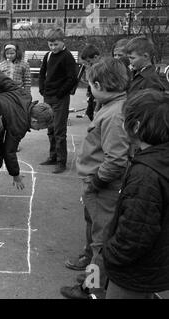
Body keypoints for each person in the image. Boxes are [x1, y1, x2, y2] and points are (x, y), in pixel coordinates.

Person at [60, 58, 131, 299]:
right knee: (95, 235)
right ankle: (90, 277)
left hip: (104, 188)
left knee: (101, 241)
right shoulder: (111, 106)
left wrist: (97, 183)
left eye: (89, 85)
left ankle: (91, 288)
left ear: (99, 84)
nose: (89, 89)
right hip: (97, 185)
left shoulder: (114, 115)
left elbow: (117, 158)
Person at [103, 89, 169, 299]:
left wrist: (111, 254)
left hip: (134, 272)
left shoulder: (146, 174)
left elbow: (135, 234)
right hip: (154, 264)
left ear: (137, 126)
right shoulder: (159, 157)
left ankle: (90, 285)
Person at [0, 66, 53, 208]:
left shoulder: (23, 94)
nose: (38, 130)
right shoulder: (20, 124)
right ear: (35, 121)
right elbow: (10, 152)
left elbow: (1, 77)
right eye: (40, 128)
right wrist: (16, 174)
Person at [38, 28, 78, 174]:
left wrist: (61, 93)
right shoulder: (48, 56)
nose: (53, 47)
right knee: (50, 128)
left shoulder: (67, 56)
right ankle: (53, 156)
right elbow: (42, 73)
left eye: (55, 44)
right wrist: (42, 88)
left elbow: (72, 78)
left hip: (60, 98)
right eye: (50, 44)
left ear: (62, 42)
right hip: (47, 96)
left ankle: (61, 161)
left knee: (59, 130)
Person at [80, 44, 101, 121]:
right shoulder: (92, 68)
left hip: (98, 97)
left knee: (94, 113)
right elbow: (90, 83)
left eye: (89, 61)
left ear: (96, 57)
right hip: (92, 95)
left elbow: (97, 85)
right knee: (89, 112)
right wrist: (88, 90)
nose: (89, 64)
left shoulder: (100, 69)